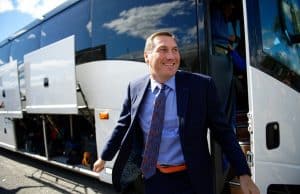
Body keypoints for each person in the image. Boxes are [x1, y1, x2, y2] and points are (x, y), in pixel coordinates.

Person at [93, 31, 259, 194]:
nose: (172, 56)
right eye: (163, 50)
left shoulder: (201, 86)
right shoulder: (135, 88)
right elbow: (122, 125)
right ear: (146, 57)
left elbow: (224, 132)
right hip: (152, 178)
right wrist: (105, 156)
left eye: (175, 50)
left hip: (192, 180)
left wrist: (243, 173)